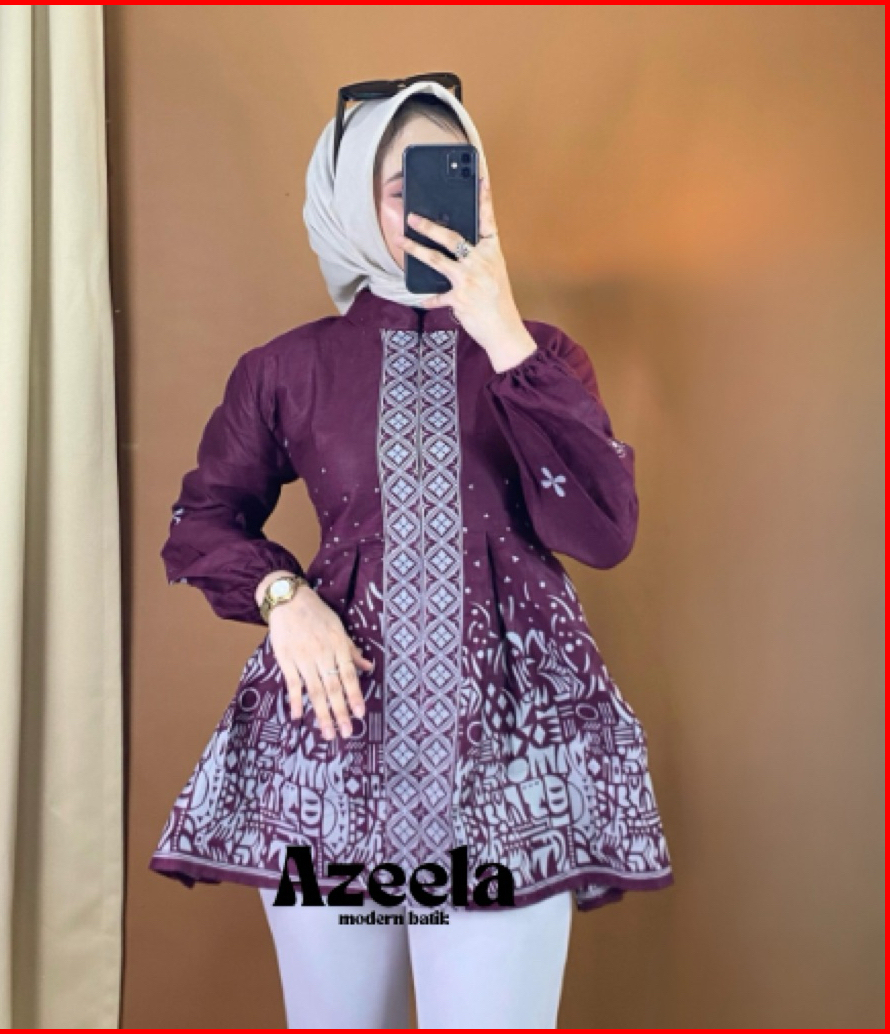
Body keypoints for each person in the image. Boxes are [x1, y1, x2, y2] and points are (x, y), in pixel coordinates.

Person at [149, 77, 674, 1029]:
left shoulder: (542, 356)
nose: (435, 209)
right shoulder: (288, 368)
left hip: (510, 765)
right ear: (356, 203)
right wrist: (283, 597)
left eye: (460, 178)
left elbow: (604, 529)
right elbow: (202, 521)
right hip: (331, 757)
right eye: (403, 189)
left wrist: (504, 335)